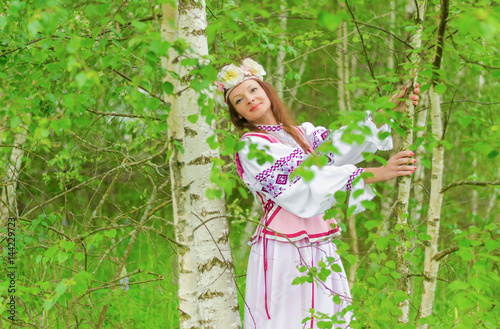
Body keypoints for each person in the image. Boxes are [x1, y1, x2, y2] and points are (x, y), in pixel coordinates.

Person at [215, 58, 419, 329]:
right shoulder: (252, 146)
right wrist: (374, 174)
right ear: (238, 114)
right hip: (282, 246)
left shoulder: (301, 133)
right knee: (288, 318)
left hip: (318, 240)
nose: (249, 100)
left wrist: (385, 112)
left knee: (325, 315)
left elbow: (338, 144)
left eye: (253, 90)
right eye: (239, 100)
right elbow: (302, 187)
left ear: (266, 90)